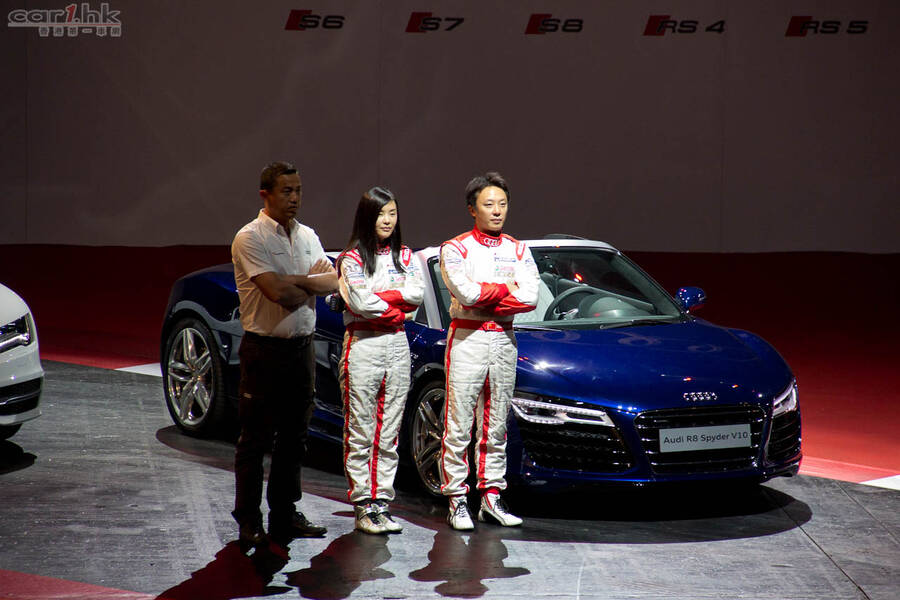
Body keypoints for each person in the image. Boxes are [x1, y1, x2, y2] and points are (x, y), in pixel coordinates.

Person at [230, 161, 338, 548]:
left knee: (295, 437)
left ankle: (284, 513)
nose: (294, 198)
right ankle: (248, 519)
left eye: (298, 191)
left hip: (302, 350)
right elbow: (277, 293)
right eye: (286, 191)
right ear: (266, 195)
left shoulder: (308, 236)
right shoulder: (249, 237)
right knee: (255, 439)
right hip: (264, 351)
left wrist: (295, 280)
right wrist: (305, 285)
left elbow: (333, 280)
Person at [439, 171, 540, 530]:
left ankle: (491, 498)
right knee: (458, 424)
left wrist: (487, 293)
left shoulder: (518, 249)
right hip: (467, 339)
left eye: (502, 204)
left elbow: (531, 296)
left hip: (504, 339)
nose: (497, 211)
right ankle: (456, 499)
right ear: (472, 209)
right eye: (489, 204)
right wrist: (505, 288)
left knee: (496, 424)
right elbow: (466, 295)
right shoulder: (455, 248)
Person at [337, 186, 424, 534]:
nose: (387, 220)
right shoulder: (352, 259)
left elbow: (416, 295)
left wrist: (383, 300)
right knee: (361, 429)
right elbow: (360, 303)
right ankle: (363, 504)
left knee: (388, 431)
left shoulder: (406, 255)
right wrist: (395, 307)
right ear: (366, 216)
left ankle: (381, 502)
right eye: (380, 214)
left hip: (397, 346)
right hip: (362, 344)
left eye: (392, 213)